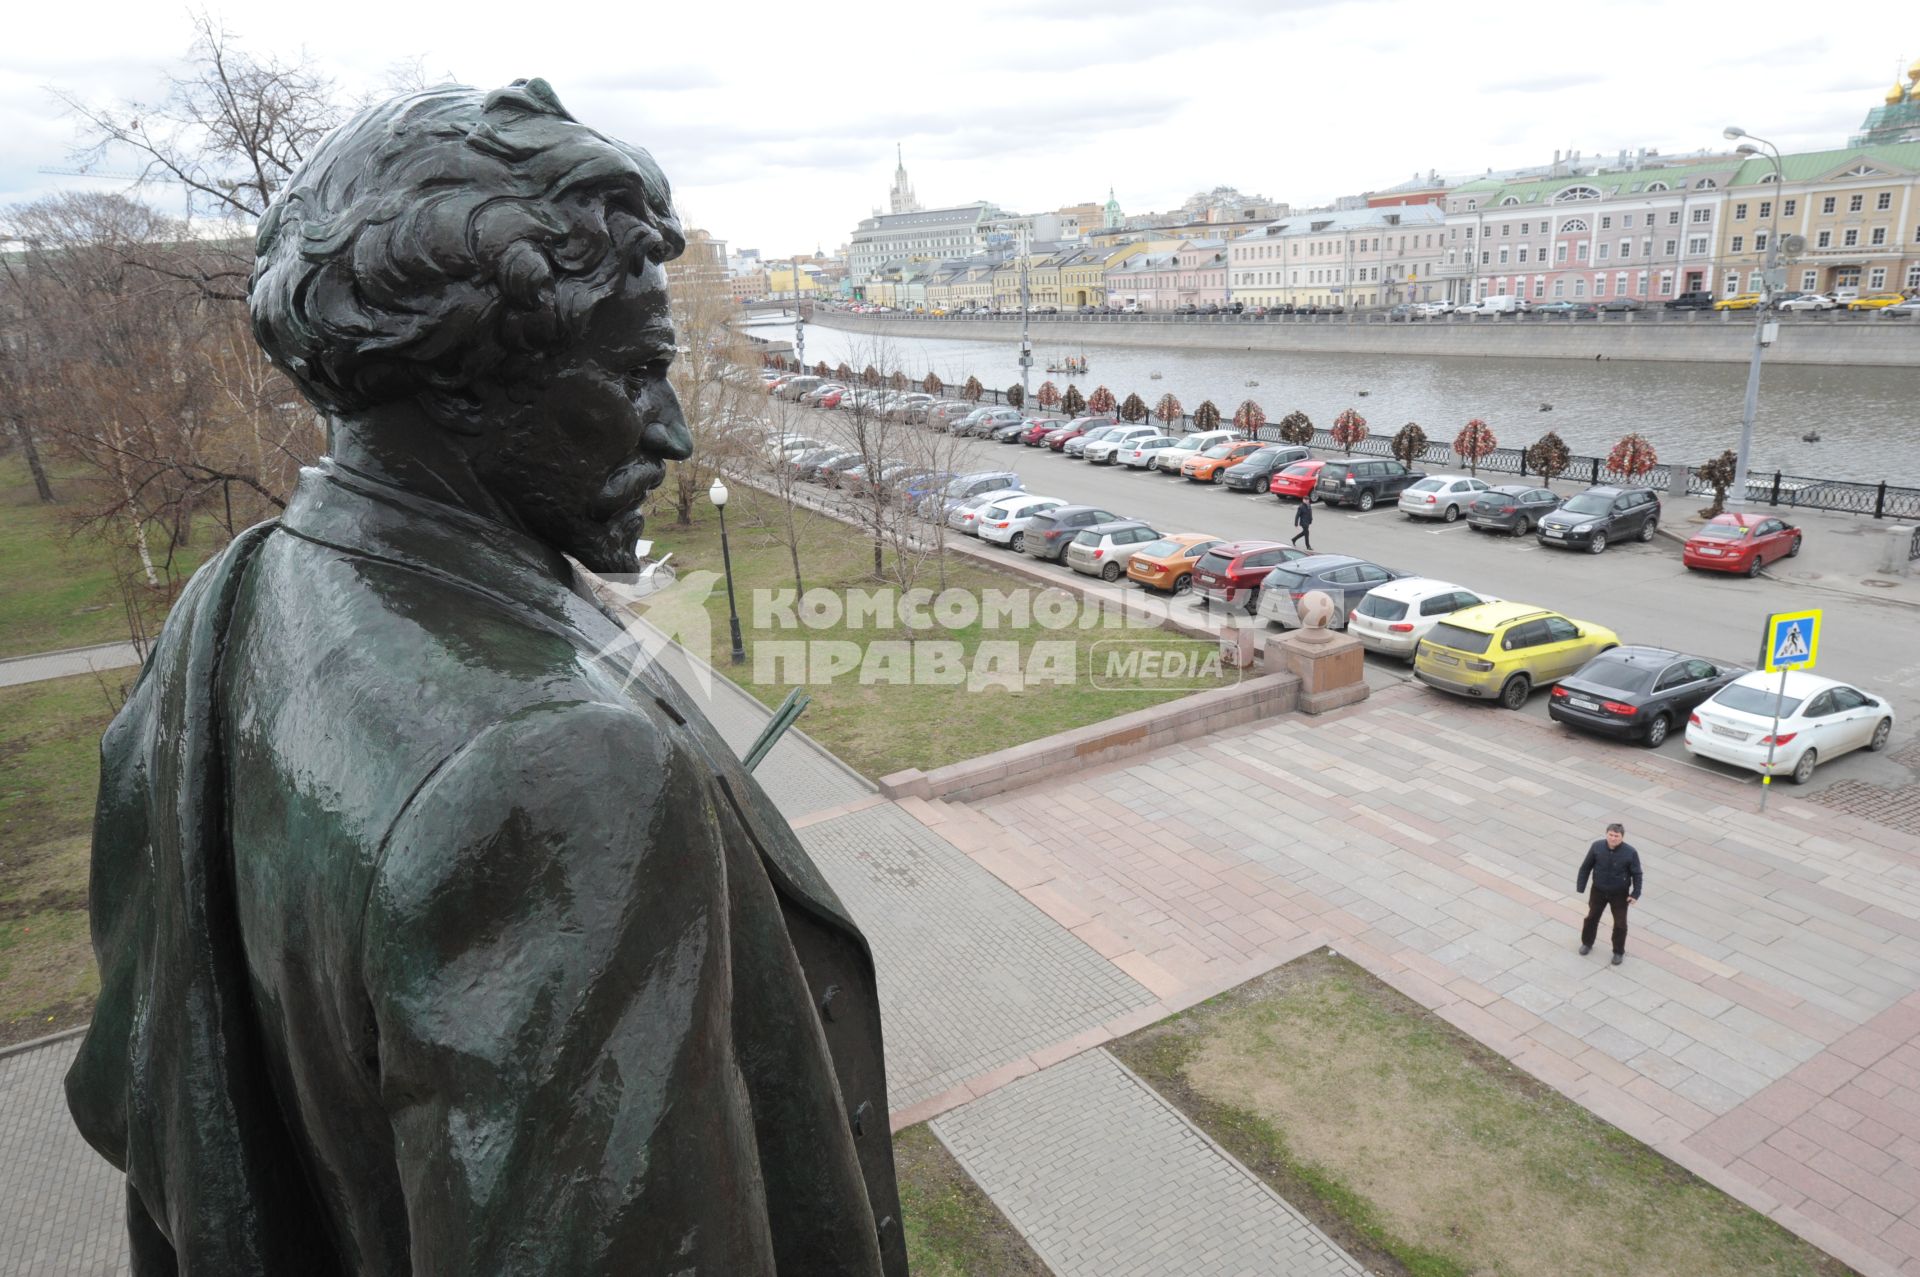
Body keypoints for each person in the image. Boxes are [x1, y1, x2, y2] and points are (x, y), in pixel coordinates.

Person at [67, 79, 905, 1275]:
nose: (668, 429)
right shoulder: (553, 772)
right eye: (635, 369)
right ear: (463, 385)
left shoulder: (237, 595)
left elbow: (133, 1098)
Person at [1576, 822, 1644, 965]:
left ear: (1622, 837)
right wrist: (1581, 886)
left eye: (1616, 836)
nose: (1613, 838)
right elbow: (1585, 867)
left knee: (1620, 924)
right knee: (1591, 918)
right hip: (1598, 891)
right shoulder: (1597, 846)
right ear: (1606, 834)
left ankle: (1618, 952)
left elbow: (1637, 874)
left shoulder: (1630, 852)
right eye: (1611, 835)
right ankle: (1587, 943)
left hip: (1619, 895)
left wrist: (1635, 893)